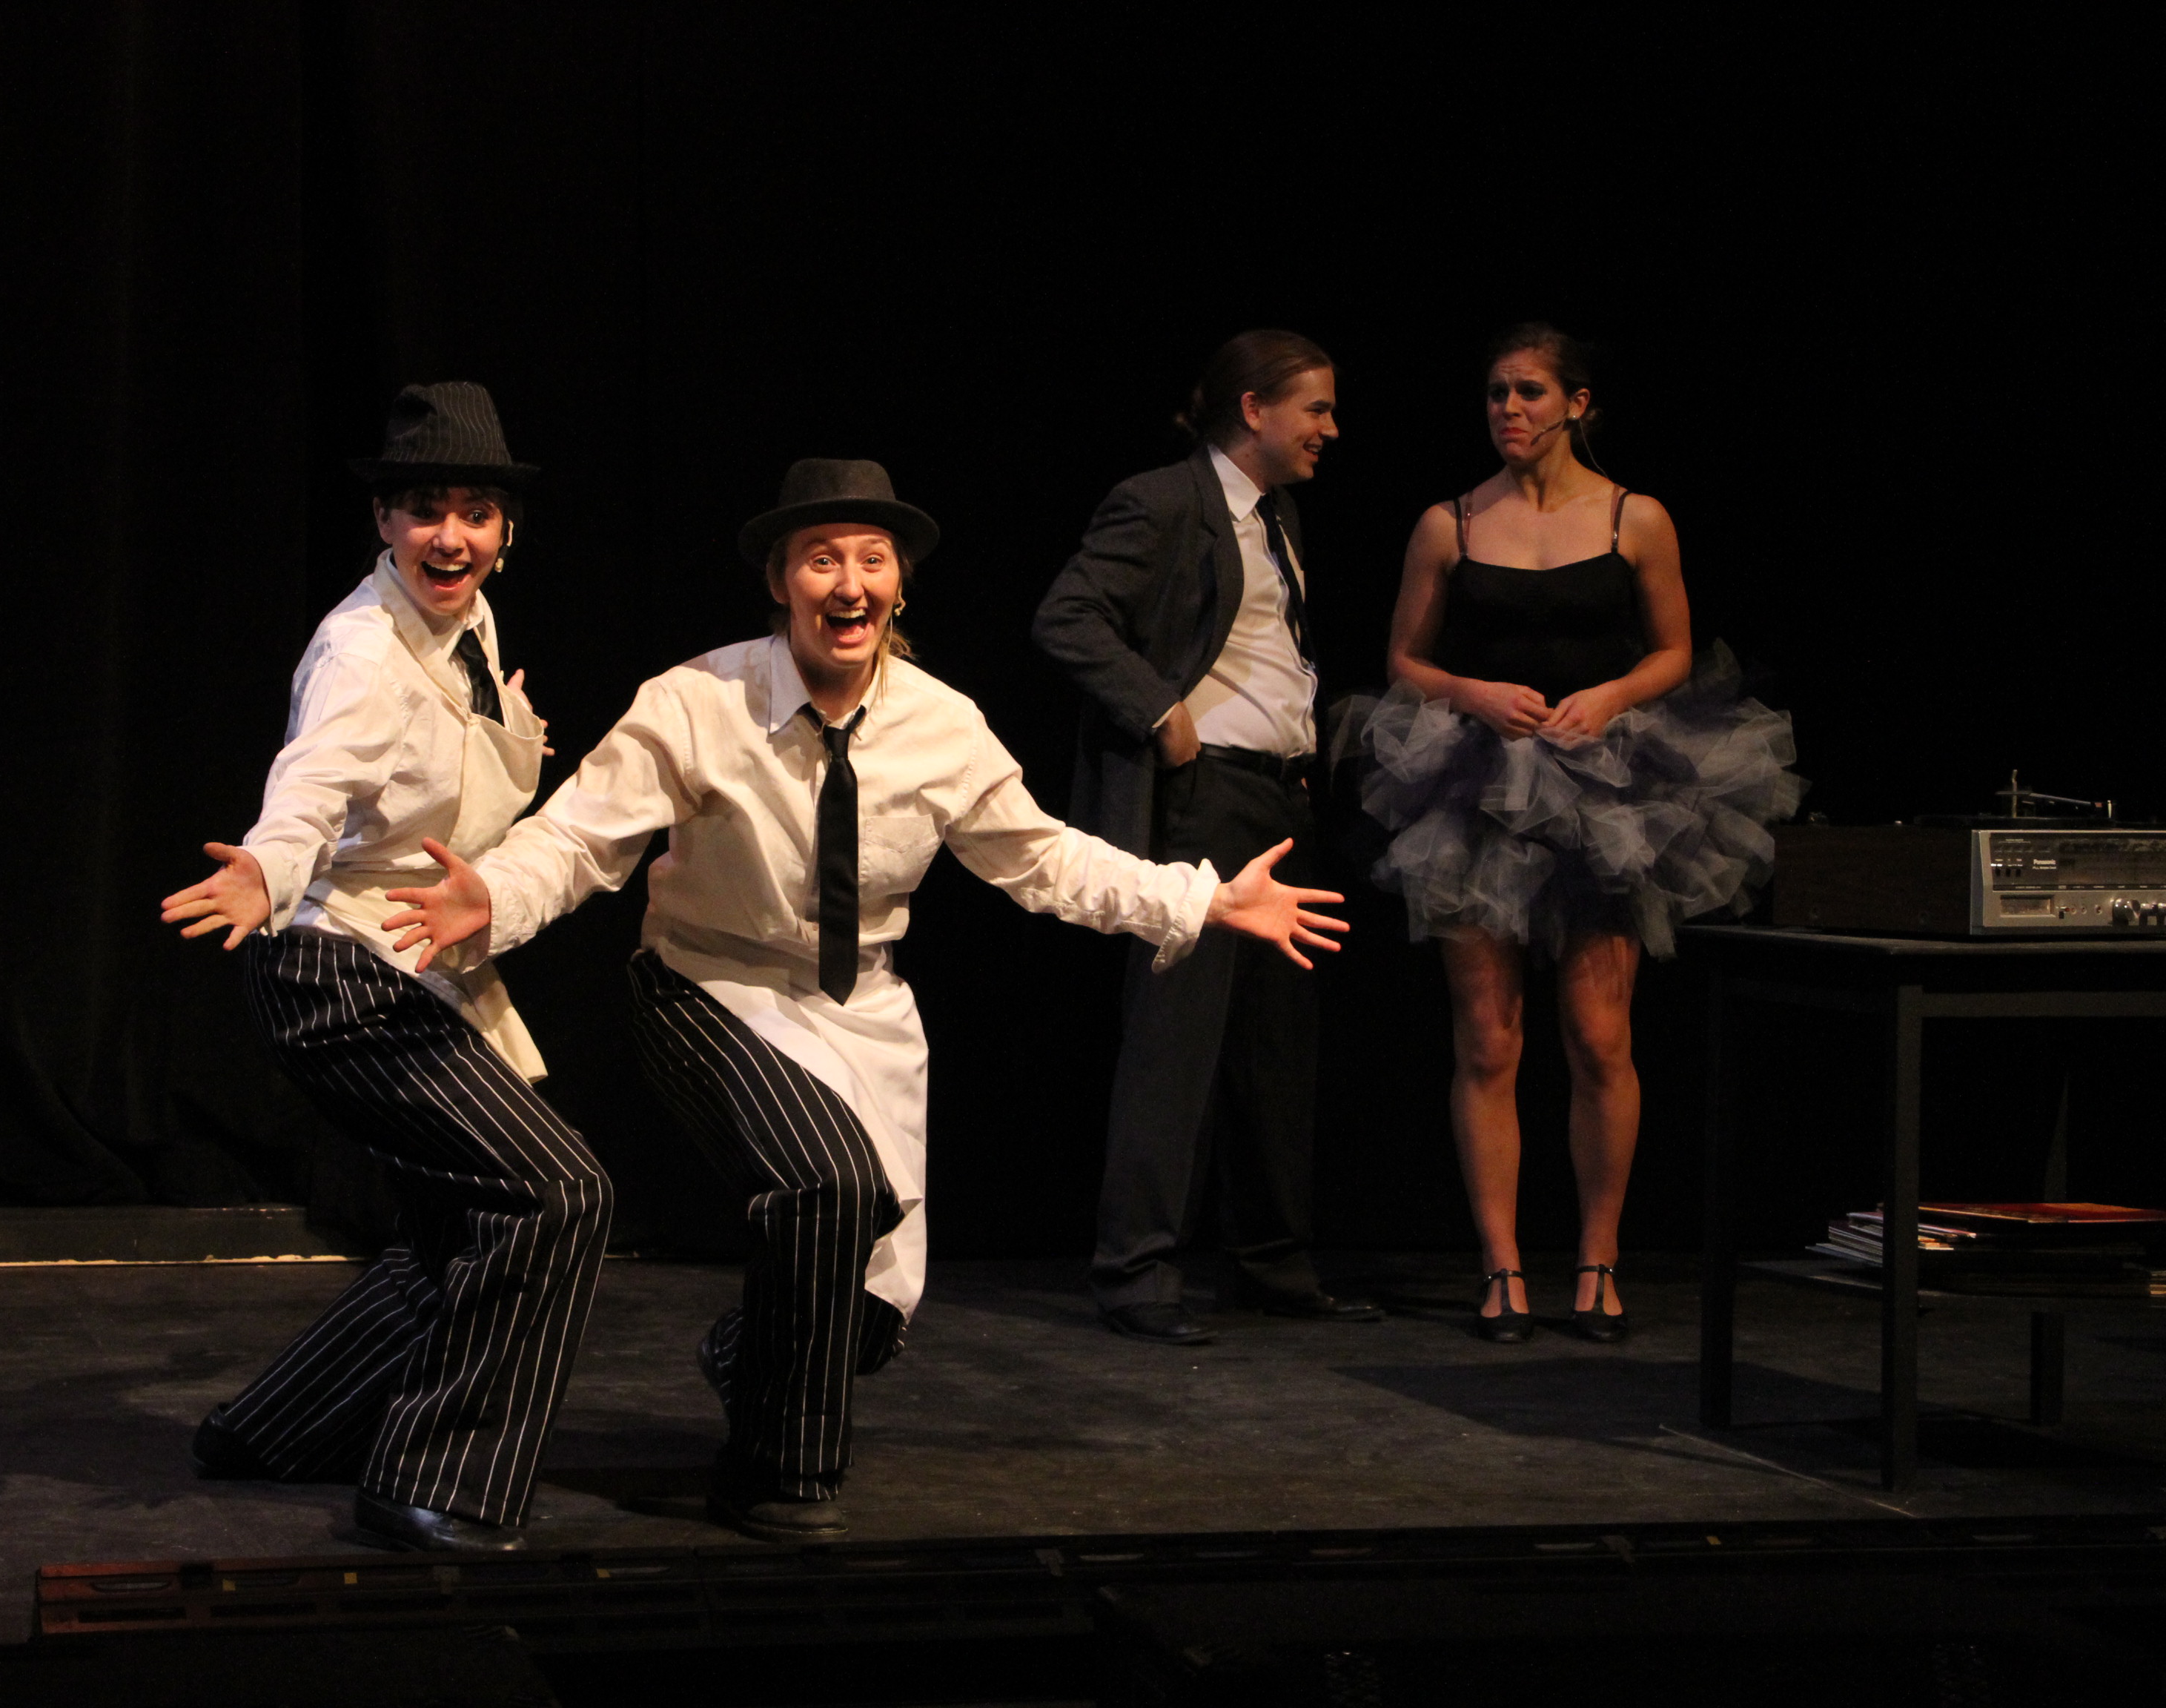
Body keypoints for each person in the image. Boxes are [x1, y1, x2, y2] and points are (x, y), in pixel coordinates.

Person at [378, 458, 1346, 1541]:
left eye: (872, 561)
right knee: (829, 1186)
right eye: (822, 560)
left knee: (876, 1308)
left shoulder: (942, 724)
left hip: (864, 1010)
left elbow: (1043, 858)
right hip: (709, 985)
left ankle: (753, 1359)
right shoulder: (697, 702)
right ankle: (776, 1475)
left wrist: (1199, 899)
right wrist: (495, 894)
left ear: (899, 584)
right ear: (781, 582)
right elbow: (576, 840)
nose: (850, 584)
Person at [157, 381, 610, 1552]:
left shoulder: (469, 626)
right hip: (333, 973)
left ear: (506, 531)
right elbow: (311, 786)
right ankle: (438, 1477)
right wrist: (265, 870)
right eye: (424, 510)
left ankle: (272, 1432)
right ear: (383, 521)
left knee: (461, 1223)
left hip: (407, 964)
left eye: (475, 513)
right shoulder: (362, 650)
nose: (449, 537)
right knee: (553, 1192)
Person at [1354, 323, 1803, 1343]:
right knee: (1488, 1038)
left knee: (1600, 1036)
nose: (1508, 410)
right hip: (1475, 788)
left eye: (1528, 393)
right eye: (1495, 394)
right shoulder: (1449, 523)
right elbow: (1404, 662)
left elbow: (1675, 650)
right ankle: (1502, 1267)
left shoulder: (1634, 517)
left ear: (1577, 404)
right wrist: (1471, 690)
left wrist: (1609, 697)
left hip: (1609, 789)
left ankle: (1599, 1262)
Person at [1032, 329, 1377, 1347]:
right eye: (1315, 408)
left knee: (1276, 1043)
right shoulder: (1165, 501)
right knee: (1175, 1044)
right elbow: (1068, 616)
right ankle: (1137, 1271)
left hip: (1278, 800)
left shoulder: (1279, 515)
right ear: (1254, 409)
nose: (1330, 428)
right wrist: (1158, 709)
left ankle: (1271, 1258)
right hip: (1205, 801)